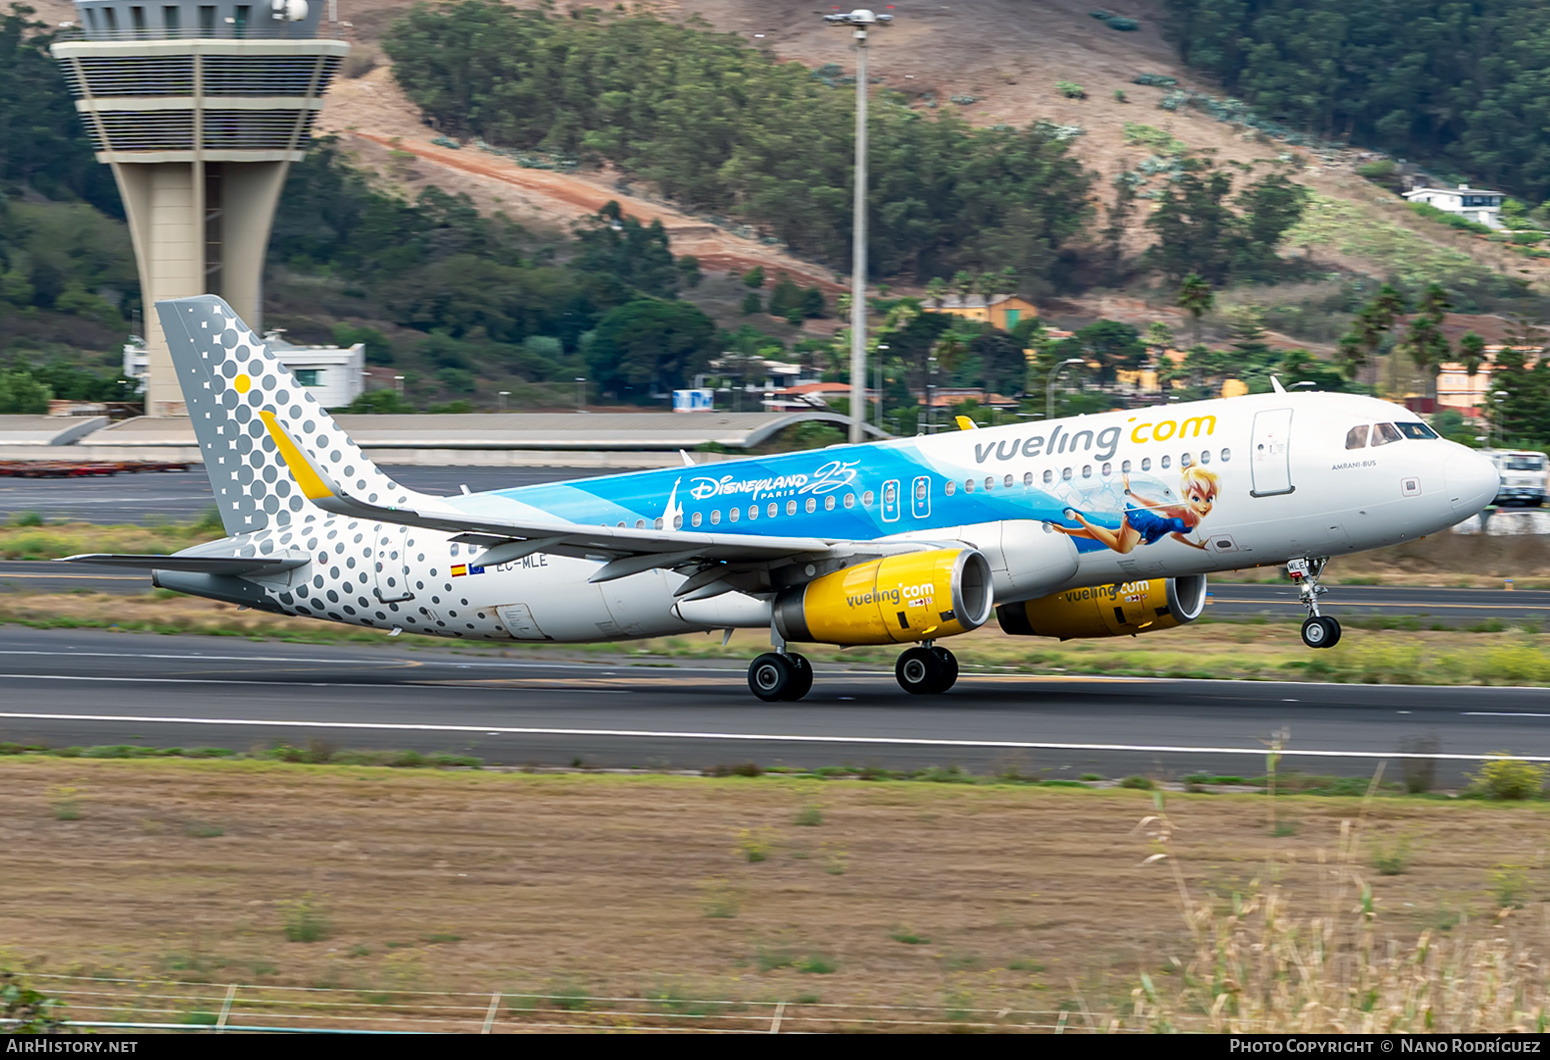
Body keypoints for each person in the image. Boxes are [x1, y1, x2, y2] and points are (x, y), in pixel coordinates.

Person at [1051, 466, 1219, 553]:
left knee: (1108, 535)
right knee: (1122, 549)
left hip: (1142, 520)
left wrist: (1198, 547)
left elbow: (1172, 534)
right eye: (1197, 499)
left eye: (1207, 500)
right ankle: (1080, 519)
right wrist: (1131, 493)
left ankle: (1066, 529)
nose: (1203, 505)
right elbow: (1153, 505)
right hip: (1142, 523)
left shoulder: (1192, 520)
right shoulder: (1180, 510)